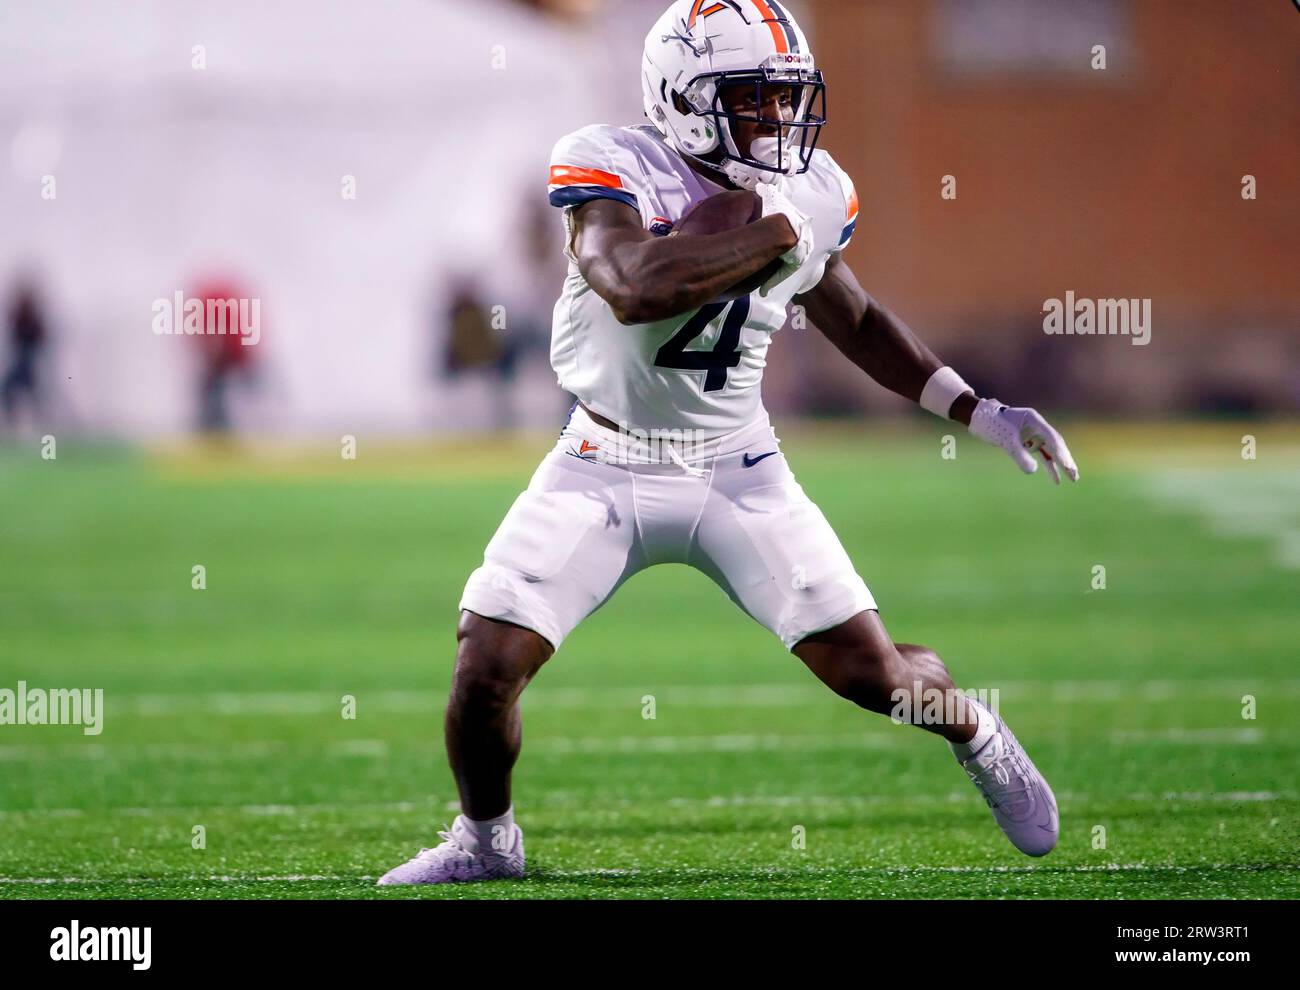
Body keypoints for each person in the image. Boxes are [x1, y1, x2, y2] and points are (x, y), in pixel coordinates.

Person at [380, 0, 1077, 885]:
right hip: (601, 462)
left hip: (736, 470)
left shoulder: (815, 188)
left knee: (875, 678)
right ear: (681, 95)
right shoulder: (613, 162)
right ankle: (486, 842)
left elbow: (855, 319)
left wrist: (977, 409)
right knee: (484, 666)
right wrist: (772, 234)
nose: (778, 119)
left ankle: (974, 727)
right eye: (752, 98)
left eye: (786, 98)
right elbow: (632, 286)